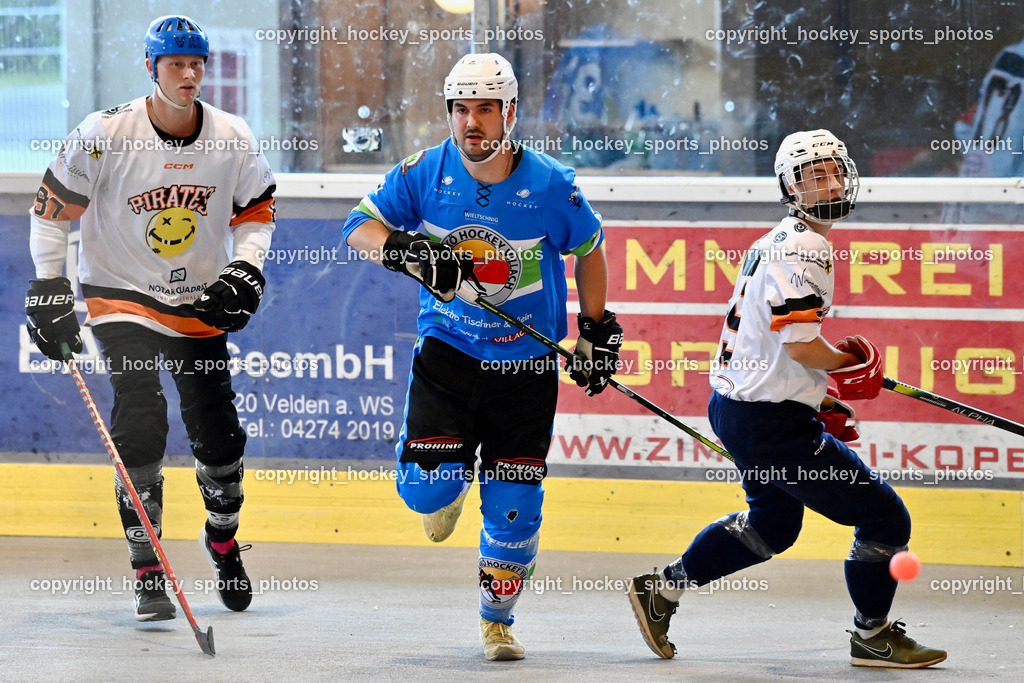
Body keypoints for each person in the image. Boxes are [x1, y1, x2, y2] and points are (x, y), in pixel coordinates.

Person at [626, 130, 946, 669]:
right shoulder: (806, 245)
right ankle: (873, 635)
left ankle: (662, 590)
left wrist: (813, 400)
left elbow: (768, 344)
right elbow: (800, 344)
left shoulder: (777, 239)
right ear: (790, 188)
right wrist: (851, 367)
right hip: (767, 423)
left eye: (834, 171)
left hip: (745, 410)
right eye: (812, 176)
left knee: (773, 526)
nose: (828, 183)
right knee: (886, 519)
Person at [343, 53, 621, 661]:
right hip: (447, 354)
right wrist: (408, 249)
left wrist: (595, 329)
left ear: (510, 113)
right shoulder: (426, 171)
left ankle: (496, 620)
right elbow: (357, 227)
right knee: (425, 494)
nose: (472, 123)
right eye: (460, 109)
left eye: (486, 110)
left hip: (525, 368)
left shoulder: (551, 184)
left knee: (516, 507)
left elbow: (591, 248)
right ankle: (443, 481)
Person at [25, 15, 275, 622]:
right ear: (151, 68)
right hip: (122, 293)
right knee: (139, 419)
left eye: (197, 65)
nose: (188, 75)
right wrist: (50, 288)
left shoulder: (232, 136)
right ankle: (147, 566)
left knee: (217, 434)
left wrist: (247, 269)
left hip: (197, 300)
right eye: (175, 65)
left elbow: (258, 212)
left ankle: (221, 540)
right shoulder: (104, 133)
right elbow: (49, 213)